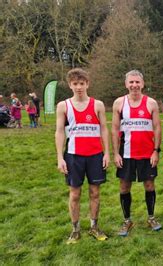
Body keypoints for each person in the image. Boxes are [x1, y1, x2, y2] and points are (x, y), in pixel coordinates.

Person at [55, 68, 109, 244]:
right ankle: (75, 229)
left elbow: (104, 129)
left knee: (95, 192)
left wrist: (107, 153)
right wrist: (59, 158)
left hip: (95, 156)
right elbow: (59, 132)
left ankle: (94, 227)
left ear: (87, 84)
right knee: (75, 193)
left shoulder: (98, 105)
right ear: (70, 85)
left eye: (82, 83)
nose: (79, 87)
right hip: (73, 156)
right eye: (75, 84)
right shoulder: (63, 106)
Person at [111, 70, 162, 236]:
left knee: (149, 185)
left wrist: (156, 151)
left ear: (143, 83)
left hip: (147, 154)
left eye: (137, 82)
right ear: (126, 84)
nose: (134, 85)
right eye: (131, 82)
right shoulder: (119, 103)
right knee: (124, 186)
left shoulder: (151, 103)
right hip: (125, 154)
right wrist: (115, 154)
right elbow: (114, 129)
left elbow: (157, 128)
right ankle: (127, 220)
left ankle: (151, 217)